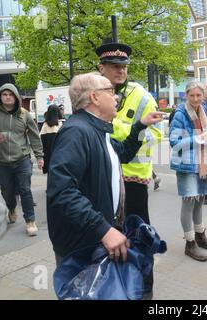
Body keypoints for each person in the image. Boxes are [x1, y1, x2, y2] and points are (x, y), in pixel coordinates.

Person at [47, 73, 163, 268]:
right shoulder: (77, 132)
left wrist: (141, 125)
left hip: (93, 239)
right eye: (110, 91)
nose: (116, 97)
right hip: (81, 246)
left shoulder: (98, 130)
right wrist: (103, 230)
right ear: (94, 97)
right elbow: (62, 192)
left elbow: (124, 153)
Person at [96, 39, 163, 299]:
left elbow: (155, 134)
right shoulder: (94, 93)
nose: (120, 70)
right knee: (110, 237)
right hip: (105, 179)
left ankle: (145, 290)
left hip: (134, 180)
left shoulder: (142, 95)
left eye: (123, 65)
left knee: (139, 235)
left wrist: (119, 133)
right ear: (101, 68)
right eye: (113, 65)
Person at [0, 84, 44, 236]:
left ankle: (30, 220)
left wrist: (40, 156)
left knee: (25, 190)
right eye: (4, 94)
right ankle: (12, 208)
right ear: (0, 97)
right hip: (2, 162)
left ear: (15, 97)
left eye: (10, 94)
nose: (7, 97)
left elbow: (34, 136)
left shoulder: (24, 114)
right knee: (7, 191)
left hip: (22, 159)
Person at [169, 81, 207, 262]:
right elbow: (174, 143)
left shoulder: (204, 110)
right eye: (191, 95)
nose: (195, 99)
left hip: (203, 162)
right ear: (186, 95)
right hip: (187, 165)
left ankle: (200, 235)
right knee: (189, 203)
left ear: (203, 96)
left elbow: (206, 131)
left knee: (200, 200)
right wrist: (198, 138)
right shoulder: (180, 113)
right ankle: (190, 242)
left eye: (198, 95)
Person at [40, 104, 62, 174]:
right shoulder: (62, 123)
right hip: (61, 156)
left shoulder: (45, 125)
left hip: (48, 157)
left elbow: (41, 141)